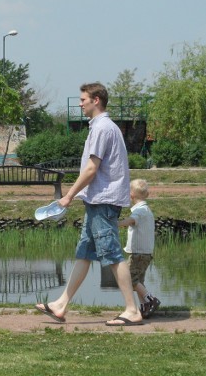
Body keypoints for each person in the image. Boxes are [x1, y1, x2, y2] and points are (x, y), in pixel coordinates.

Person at [34, 82, 143, 326]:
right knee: (84, 253)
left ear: (96, 100)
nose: (80, 103)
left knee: (113, 254)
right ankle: (61, 305)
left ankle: (132, 310)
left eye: (83, 99)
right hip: (97, 201)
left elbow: (91, 168)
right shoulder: (102, 127)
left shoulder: (102, 128)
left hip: (104, 201)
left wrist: (68, 196)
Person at [118, 178, 161, 318]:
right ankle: (144, 307)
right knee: (139, 281)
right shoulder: (147, 210)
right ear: (146, 194)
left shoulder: (139, 211)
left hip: (138, 253)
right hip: (146, 252)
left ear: (131, 196)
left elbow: (131, 220)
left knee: (130, 280)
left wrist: (116, 224)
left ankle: (150, 299)